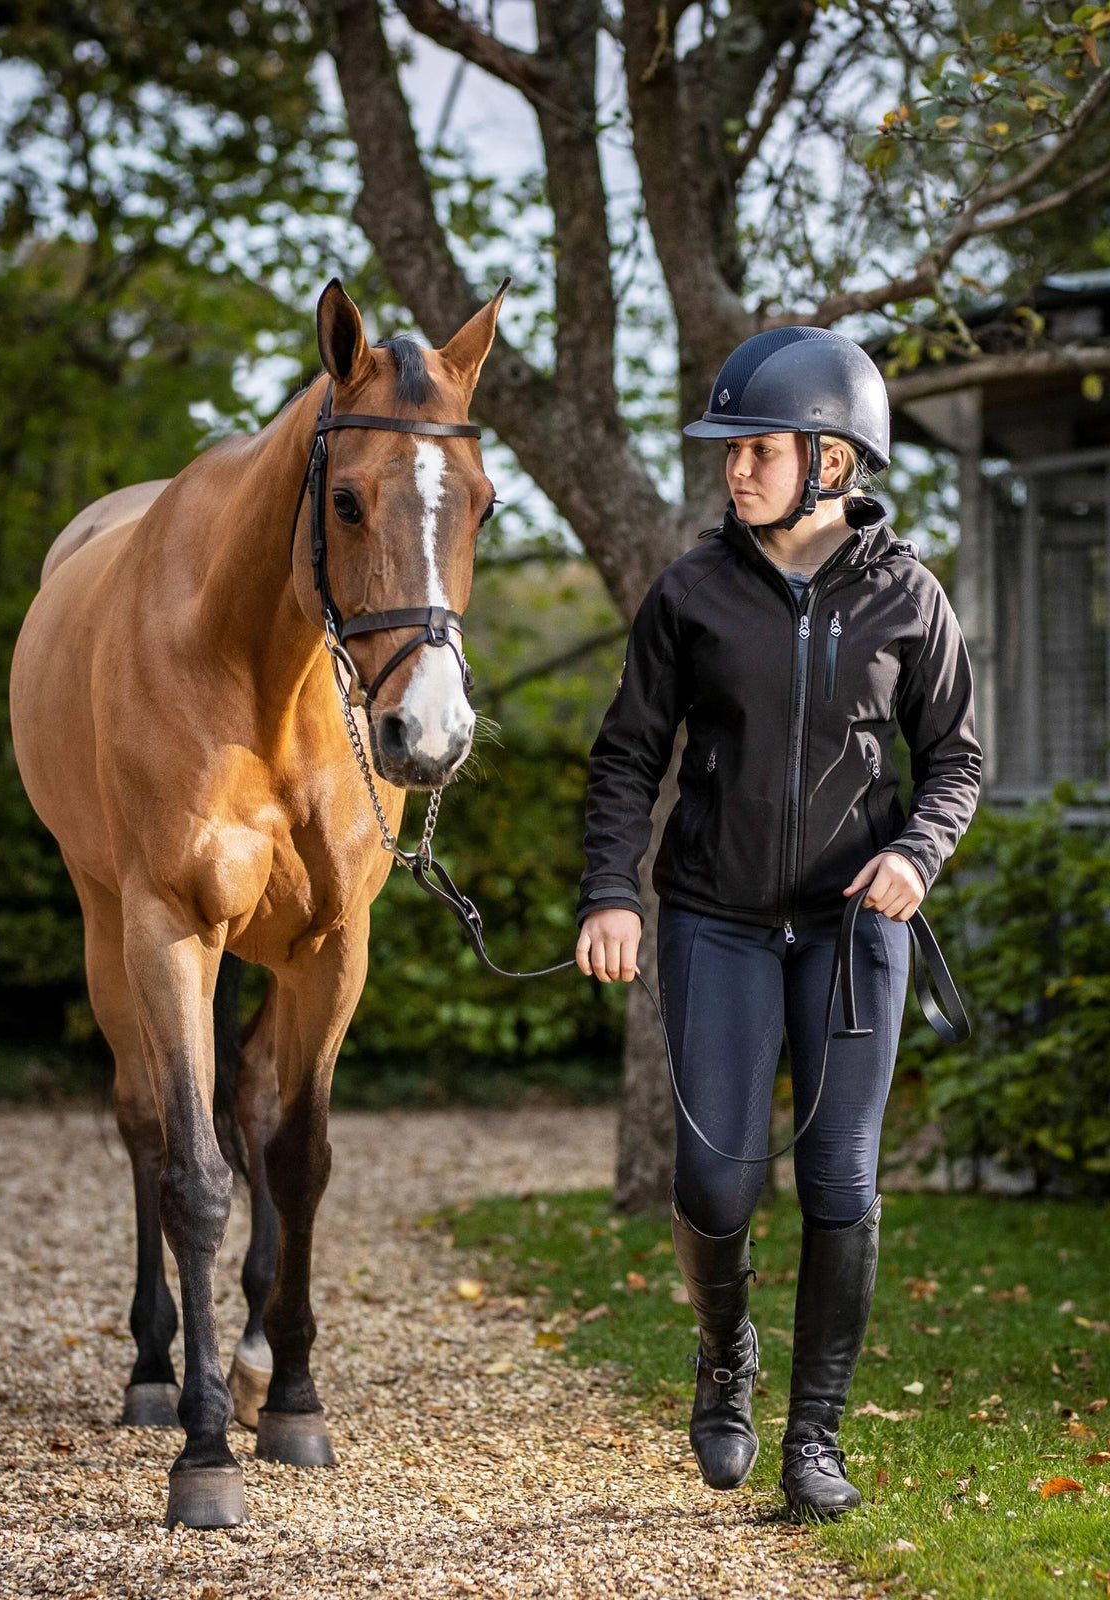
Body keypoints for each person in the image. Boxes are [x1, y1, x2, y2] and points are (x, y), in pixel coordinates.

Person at [572, 326, 982, 1521]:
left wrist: (916, 853)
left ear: (834, 462)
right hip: (718, 923)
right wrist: (611, 889)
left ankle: (815, 1436)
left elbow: (954, 758)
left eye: (757, 449)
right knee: (715, 1176)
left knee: (842, 1181)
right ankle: (725, 1353)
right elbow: (625, 758)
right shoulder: (691, 591)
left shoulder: (909, 594)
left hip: (857, 933)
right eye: (729, 450)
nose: (734, 471)